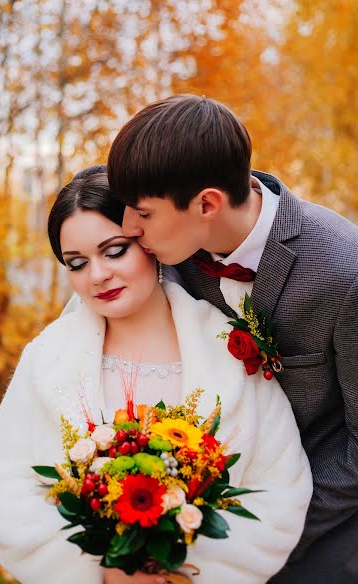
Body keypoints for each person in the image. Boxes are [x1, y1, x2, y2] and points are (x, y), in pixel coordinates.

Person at [0, 167, 312, 584]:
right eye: (77, 263)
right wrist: (101, 569)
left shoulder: (229, 350)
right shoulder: (48, 359)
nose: (97, 275)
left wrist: (186, 570)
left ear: (147, 241)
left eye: (114, 251)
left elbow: (280, 488)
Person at [107, 94, 358, 583]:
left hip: (321, 517)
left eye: (143, 213)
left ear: (207, 204)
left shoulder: (345, 275)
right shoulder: (170, 243)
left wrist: (257, 531)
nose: (129, 230)